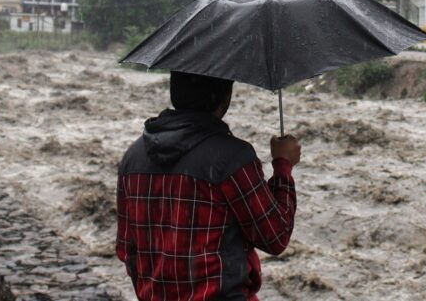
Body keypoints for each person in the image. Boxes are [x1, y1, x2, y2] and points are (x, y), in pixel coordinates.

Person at [117, 72, 300, 300]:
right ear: (224, 97)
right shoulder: (232, 158)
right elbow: (275, 236)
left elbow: (126, 249)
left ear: (175, 92)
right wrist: (283, 166)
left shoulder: (133, 158)